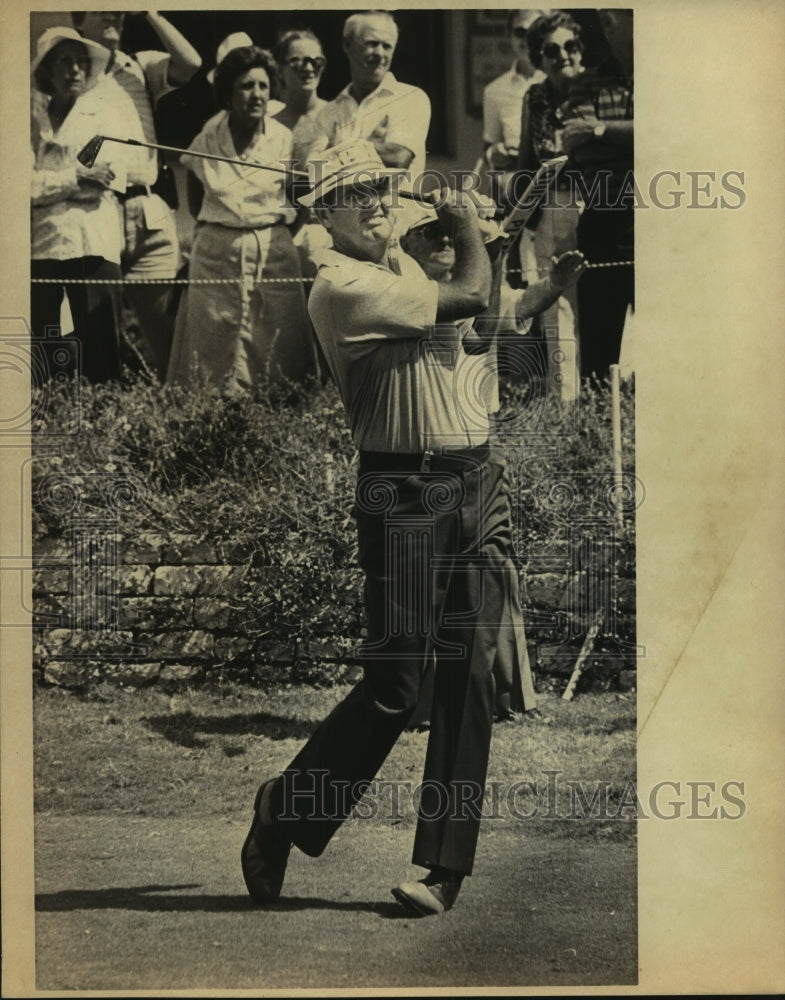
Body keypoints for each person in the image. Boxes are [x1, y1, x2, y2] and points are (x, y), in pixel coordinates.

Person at [241, 138, 522, 917]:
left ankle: (441, 871)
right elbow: (462, 297)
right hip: (400, 490)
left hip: (473, 476)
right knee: (396, 688)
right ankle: (284, 807)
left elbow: (473, 335)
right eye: (351, 191)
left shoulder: (403, 267)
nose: (373, 200)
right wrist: (466, 228)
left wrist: (481, 252)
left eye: (380, 186)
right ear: (320, 214)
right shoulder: (340, 284)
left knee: (468, 682)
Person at [397, 202, 587, 725]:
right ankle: (425, 702)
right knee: (433, 587)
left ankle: (500, 694)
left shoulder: (468, 282)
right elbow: (480, 325)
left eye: (447, 234)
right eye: (429, 233)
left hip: (479, 450)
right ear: (404, 243)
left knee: (492, 576)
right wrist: (492, 256)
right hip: (427, 460)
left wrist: (547, 287)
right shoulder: (410, 293)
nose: (442, 242)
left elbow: (508, 315)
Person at [166, 45, 317, 391]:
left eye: (263, 86)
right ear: (229, 93)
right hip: (216, 252)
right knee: (211, 348)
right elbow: (193, 188)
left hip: (273, 252)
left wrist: (276, 233)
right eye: (247, 86)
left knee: (276, 348)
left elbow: (302, 197)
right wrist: (222, 227)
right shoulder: (209, 134)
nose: (257, 95)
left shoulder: (283, 139)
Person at [72, 10, 202, 380]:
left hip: (149, 208)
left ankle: (175, 412)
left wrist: (149, 11)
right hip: (95, 209)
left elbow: (190, 62)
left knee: (169, 332)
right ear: (81, 17)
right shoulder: (69, 68)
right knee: (96, 328)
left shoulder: (139, 65)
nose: (115, 11)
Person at [30, 27, 141, 383]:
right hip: (42, 248)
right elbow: (22, 187)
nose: (74, 70)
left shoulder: (103, 116)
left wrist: (56, 181)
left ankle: (105, 426)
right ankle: (50, 427)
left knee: (101, 349)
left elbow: (104, 177)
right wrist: (74, 178)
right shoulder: (32, 125)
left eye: (81, 62)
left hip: (95, 244)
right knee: (44, 351)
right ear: (47, 70)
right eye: (64, 61)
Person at [560, 8, 634, 382]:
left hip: (666, 226)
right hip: (604, 222)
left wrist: (602, 129)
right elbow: (579, 147)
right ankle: (600, 430)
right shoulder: (588, 83)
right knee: (599, 351)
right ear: (608, 24)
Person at [516, 11, 586, 401]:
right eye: (551, 50)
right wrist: (518, 217)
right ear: (539, 58)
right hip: (551, 208)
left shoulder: (595, 89)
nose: (563, 55)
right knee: (555, 305)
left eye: (570, 46)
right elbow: (527, 161)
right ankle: (566, 402)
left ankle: (606, 396)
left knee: (595, 304)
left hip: (598, 206)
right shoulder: (536, 96)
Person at [307, 11, 431, 184]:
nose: (380, 53)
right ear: (347, 45)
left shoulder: (411, 99)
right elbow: (313, 172)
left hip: (395, 209)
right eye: (372, 44)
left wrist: (337, 147)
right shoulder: (328, 112)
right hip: (346, 210)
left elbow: (397, 158)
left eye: (387, 46)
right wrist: (369, 148)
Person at [271, 29, 333, 279]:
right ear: (279, 67)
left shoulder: (338, 116)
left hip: (328, 236)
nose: (308, 68)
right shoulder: (269, 124)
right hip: (280, 238)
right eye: (298, 61)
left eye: (315, 61)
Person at [481, 9, 545, 207]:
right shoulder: (494, 90)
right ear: (509, 35)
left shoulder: (559, 79)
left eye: (533, 31)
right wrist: (494, 153)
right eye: (520, 32)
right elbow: (489, 148)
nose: (526, 39)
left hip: (555, 187)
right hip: (515, 193)